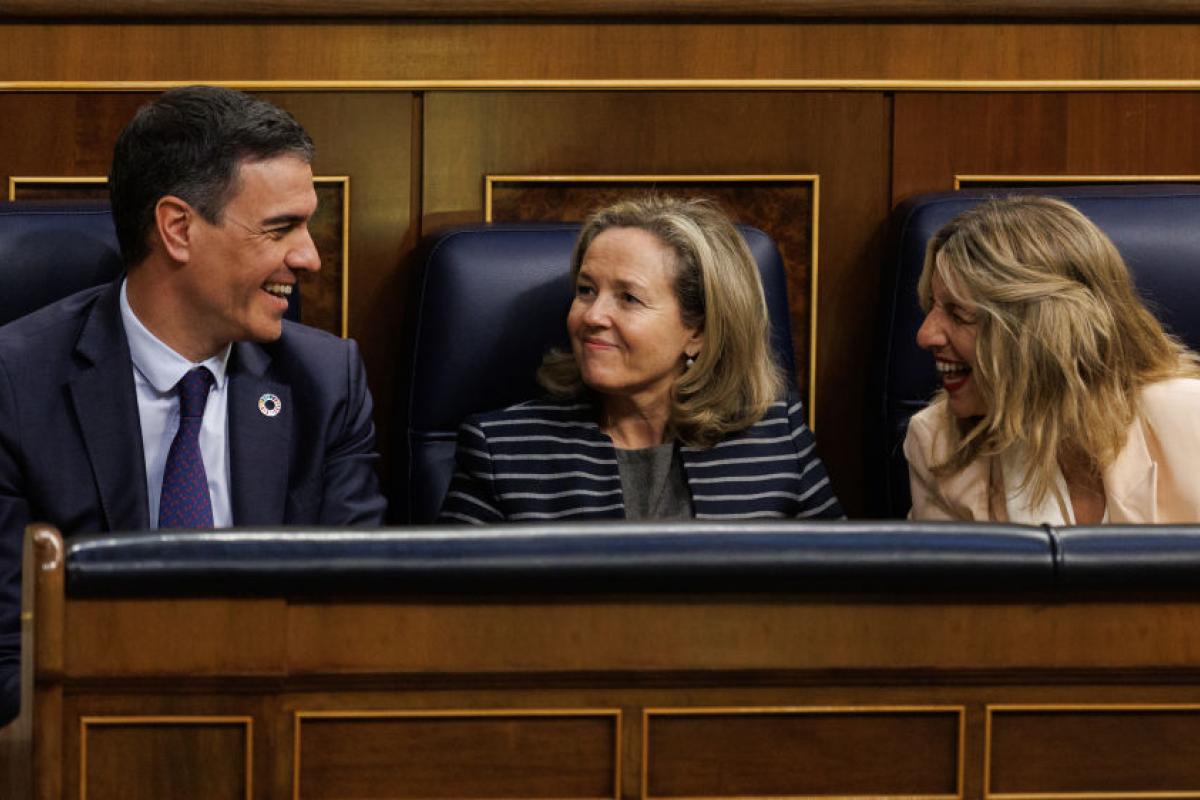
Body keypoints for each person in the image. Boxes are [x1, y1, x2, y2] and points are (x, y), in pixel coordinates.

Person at [0, 86, 387, 726]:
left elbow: (351, 622)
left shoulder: (326, 383)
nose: (310, 257)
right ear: (178, 228)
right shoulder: (17, 383)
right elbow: (8, 649)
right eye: (281, 228)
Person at [438, 195, 842, 523]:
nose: (592, 316)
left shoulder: (776, 437)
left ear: (698, 331)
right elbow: (446, 612)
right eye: (585, 290)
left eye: (628, 298)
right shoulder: (502, 451)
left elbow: (844, 598)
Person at [905, 194, 1200, 523]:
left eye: (958, 314)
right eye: (931, 306)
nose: (925, 335)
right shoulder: (938, 444)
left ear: (1043, 332)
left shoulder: (1190, 420)